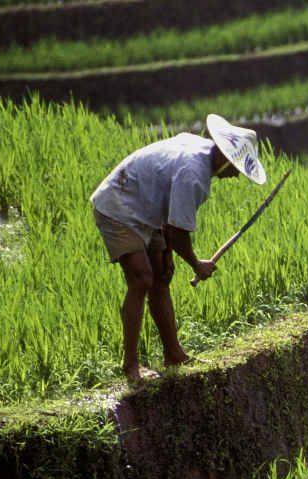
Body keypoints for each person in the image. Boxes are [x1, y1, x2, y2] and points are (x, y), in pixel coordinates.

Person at [90, 113, 267, 381]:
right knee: (141, 279)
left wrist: (167, 251)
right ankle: (130, 365)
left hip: (147, 207)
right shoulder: (194, 174)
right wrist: (197, 264)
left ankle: (174, 354)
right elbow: (178, 232)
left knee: (161, 276)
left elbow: (169, 211)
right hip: (119, 205)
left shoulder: (197, 147)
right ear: (223, 158)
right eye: (236, 167)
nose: (236, 175)